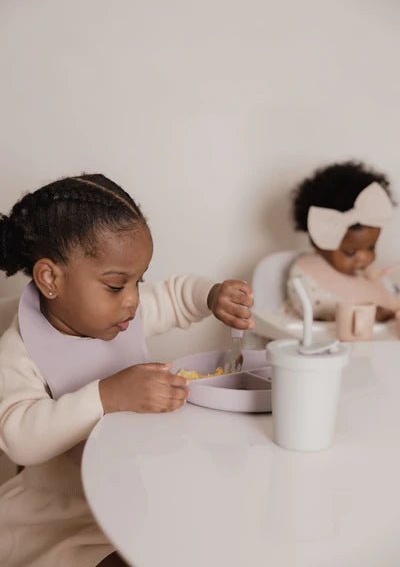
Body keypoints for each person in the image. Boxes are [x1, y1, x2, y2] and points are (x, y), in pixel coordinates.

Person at [0, 173, 254, 567]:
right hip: (65, 513)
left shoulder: (123, 314)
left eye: (140, 280)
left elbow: (175, 296)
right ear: (50, 278)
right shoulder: (19, 351)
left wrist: (211, 295)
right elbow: (20, 438)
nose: (134, 300)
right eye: (117, 285)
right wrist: (107, 396)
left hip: (140, 489)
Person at [286, 161, 400, 321]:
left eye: (372, 247)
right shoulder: (306, 273)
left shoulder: (370, 276)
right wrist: (366, 313)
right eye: (350, 252)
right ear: (320, 242)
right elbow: (311, 307)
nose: (365, 258)